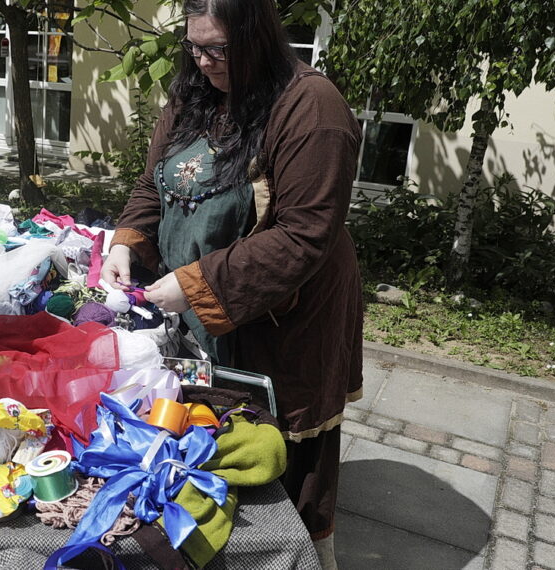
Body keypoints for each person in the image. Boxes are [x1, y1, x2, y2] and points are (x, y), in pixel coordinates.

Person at [99, 0, 363, 567]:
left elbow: (302, 235)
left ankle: (296, 554)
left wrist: (195, 285)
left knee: (289, 449)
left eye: (219, 48)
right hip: (205, 297)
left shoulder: (313, 108)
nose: (204, 61)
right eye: (194, 47)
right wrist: (125, 242)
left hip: (289, 311)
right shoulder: (194, 92)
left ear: (257, 37)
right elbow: (156, 184)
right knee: (211, 427)